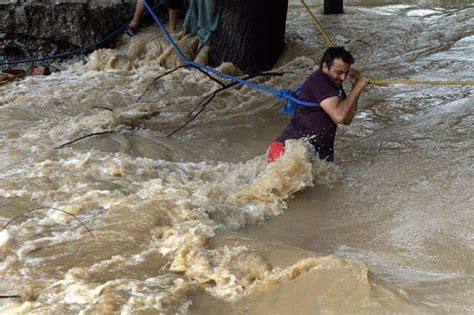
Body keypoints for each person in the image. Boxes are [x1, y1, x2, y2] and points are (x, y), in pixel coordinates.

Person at [268, 46, 369, 163]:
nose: (343, 78)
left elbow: (347, 119)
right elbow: (339, 116)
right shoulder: (320, 81)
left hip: (310, 155)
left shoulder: (334, 83)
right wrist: (358, 87)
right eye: (339, 72)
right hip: (287, 152)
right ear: (325, 66)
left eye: (346, 73)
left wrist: (355, 89)